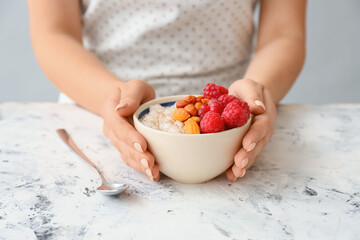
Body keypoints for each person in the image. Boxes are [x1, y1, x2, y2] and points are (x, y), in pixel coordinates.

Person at [28, 0, 306, 182]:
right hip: (98, 117)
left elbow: (284, 33)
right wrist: (114, 99)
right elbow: (54, 32)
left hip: (230, 130)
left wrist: (253, 97)